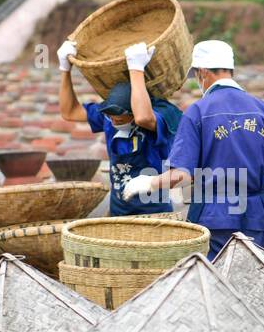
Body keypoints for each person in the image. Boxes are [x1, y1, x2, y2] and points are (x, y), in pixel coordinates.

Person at [120, 40, 264, 258]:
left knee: (214, 283)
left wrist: (146, 182)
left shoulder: (198, 112)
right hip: (256, 214)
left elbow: (182, 174)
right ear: (230, 69)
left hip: (214, 215)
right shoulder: (262, 109)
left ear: (202, 72)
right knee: (255, 280)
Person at [57, 39, 181, 216]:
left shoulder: (164, 113)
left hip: (154, 212)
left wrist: (136, 69)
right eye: (111, 118)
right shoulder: (108, 117)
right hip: (118, 211)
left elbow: (143, 118)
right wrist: (64, 69)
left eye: (120, 118)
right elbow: (69, 112)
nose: (114, 122)